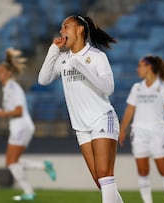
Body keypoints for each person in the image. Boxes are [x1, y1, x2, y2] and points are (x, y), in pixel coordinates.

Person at [38, 15, 123, 203]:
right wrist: (54, 49)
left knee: (104, 174)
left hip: (102, 118)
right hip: (81, 127)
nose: (61, 31)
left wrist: (81, 66)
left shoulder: (97, 56)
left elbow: (109, 88)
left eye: (66, 27)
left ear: (80, 30)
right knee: (100, 180)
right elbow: (42, 80)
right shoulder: (63, 59)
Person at [0, 48, 56, 201]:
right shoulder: (7, 88)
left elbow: (18, 111)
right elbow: (13, 110)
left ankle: (29, 192)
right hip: (20, 126)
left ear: (7, 73)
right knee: (12, 161)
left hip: (21, 126)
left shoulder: (12, 87)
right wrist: (2, 111)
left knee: (11, 162)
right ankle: (43, 167)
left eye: (0, 72)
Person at [118, 55, 164, 203]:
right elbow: (130, 109)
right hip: (139, 133)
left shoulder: (163, 87)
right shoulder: (137, 88)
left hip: (157, 133)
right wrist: (122, 129)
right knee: (142, 171)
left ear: (149, 67)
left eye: (140, 66)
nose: (138, 69)